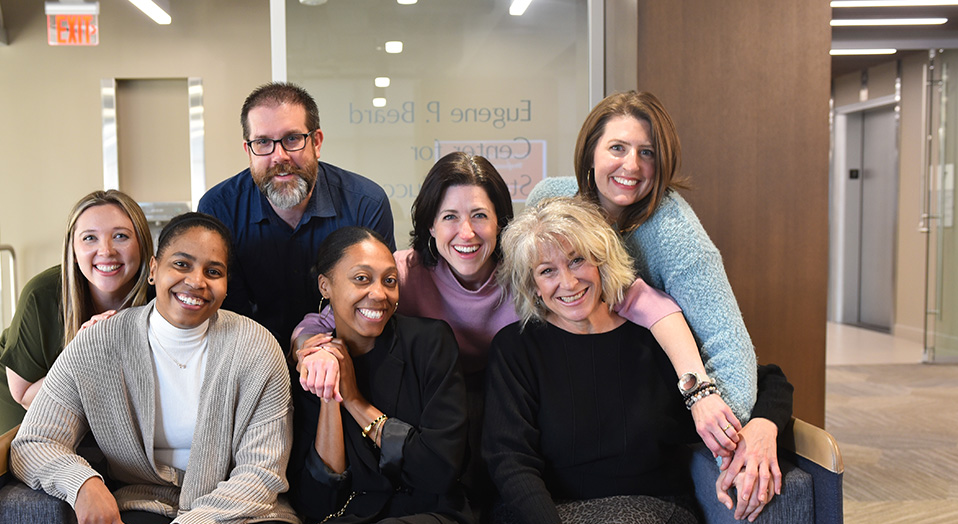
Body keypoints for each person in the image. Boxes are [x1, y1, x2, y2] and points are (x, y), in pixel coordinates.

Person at [483, 198, 793, 524]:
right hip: (541, 513)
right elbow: (508, 459)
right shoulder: (516, 348)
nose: (567, 282)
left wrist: (764, 426)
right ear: (531, 282)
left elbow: (767, 379)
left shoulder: (656, 335)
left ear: (601, 259)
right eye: (547, 271)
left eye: (576, 261)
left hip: (648, 508)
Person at [293, 152, 742, 460]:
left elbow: (648, 303)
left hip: (517, 413)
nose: (465, 233)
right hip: (436, 417)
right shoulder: (403, 274)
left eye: (480, 216)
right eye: (449, 217)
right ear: (430, 225)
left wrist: (698, 390)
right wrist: (313, 347)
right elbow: (324, 315)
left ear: (501, 223)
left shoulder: (533, 271)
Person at [9, 213, 301, 524]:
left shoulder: (256, 347)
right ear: (153, 270)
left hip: (245, 514)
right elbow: (33, 442)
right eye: (181, 264)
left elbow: (262, 474)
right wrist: (84, 484)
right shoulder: (98, 344)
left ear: (226, 284)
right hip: (142, 503)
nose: (196, 281)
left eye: (213, 271)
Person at [289, 226, 489, 524]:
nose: (379, 293)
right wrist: (330, 393)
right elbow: (319, 499)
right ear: (325, 285)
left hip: (437, 520)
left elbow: (438, 469)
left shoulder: (430, 343)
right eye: (361, 278)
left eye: (389, 280)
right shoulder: (308, 368)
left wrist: (357, 401)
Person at [526, 90, 758, 428]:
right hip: (560, 380)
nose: (632, 165)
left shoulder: (675, 232)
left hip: (641, 400)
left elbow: (728, 344)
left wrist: (722, 432)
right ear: (591, 152)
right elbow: (517, 282)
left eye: (646, 152)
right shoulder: (549, 200)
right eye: (618, 148)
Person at [197, 82, 395, 344]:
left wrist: (314, 346)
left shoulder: (366, 203)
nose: (279, 156)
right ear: (248, 151)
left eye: (292, 139)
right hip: (250, 352)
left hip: (349, 350)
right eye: (263, 142)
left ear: (316, 142)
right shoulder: (218, 208)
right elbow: (223, 307)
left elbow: (376, 298)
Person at [0, 189, 153, 439]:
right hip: (29, 386)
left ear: (142, 245)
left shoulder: (161, 296)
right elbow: (24, 396)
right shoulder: (41, 294)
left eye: (120, 236)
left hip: (104, 395)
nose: (106, 251)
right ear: (73, 251)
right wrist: (81, 355)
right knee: (24, 467)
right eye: (89, 238)